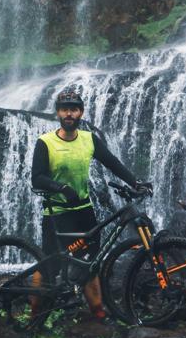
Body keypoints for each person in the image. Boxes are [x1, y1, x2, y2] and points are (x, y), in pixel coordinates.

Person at [31, 87, 147, 319]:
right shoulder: (45, 142)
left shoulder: (89, 139)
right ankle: (34, 314)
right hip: (57, 212)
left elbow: (112, 162)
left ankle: (98, 313)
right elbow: (37, 178)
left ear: (81, 112)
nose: (69, 114)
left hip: (84, 211)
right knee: (49, 265)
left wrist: (135, 182)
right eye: (64, 109)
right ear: (58, 113)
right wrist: (61, 188)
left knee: (91, 262)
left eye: (74, 109)